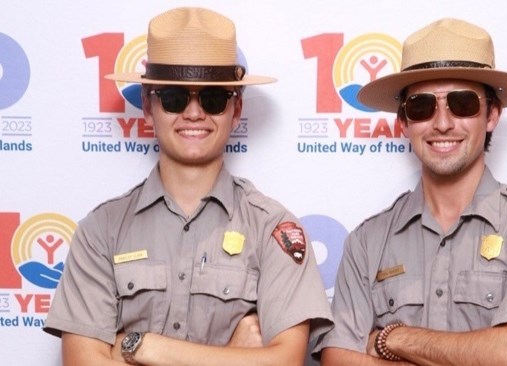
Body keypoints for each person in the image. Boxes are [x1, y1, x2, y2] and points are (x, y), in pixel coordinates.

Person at [44, 7, 332, 365]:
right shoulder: (101, 231)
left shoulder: (272, 228)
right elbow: (82, 362)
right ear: (148, 108)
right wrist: (231, 356)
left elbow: (284, 362)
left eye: (212, 99)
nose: (194, 113)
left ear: (236, 109)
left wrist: (140, 346)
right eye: (174, 98)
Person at [316, 18, 507, 366]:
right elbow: (338, 360)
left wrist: (392, 338)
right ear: (404, 123)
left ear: (491, 115)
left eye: (462, 103)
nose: (442, 123)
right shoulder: (368, 242)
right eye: (422, 106)